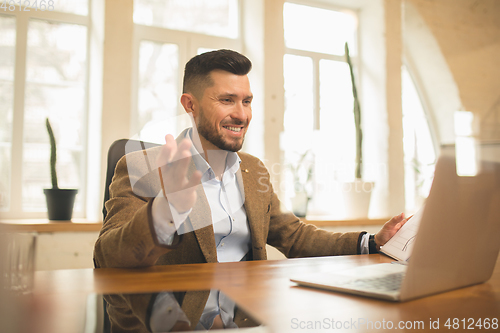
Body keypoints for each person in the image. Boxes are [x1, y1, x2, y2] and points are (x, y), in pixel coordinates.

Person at [94, 49, 409, 331]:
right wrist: (167, 207)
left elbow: (295, 236)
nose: (241, 115)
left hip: (249, 322)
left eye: (246, 101)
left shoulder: (253, 169)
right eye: (227, 100)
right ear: (190, 104)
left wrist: (371, 242)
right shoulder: (143, 166)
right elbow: (108, 257)